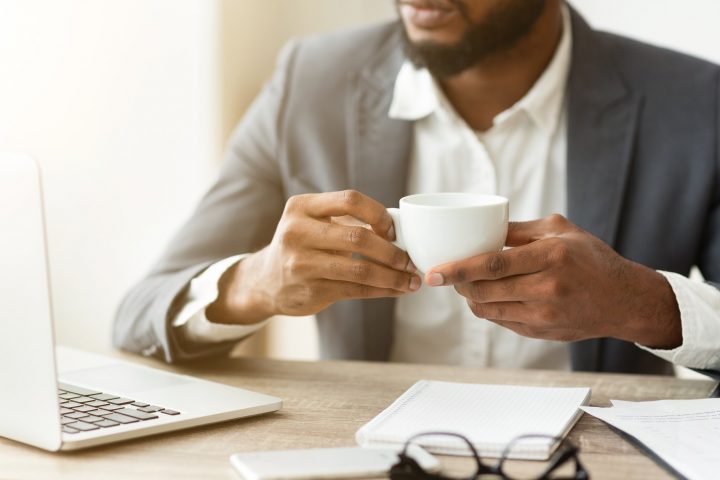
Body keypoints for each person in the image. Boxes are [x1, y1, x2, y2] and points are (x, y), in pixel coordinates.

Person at [114, 0, 720, 376]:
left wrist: (643, 303)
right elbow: (140, 315)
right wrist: (258, 282)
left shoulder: (692, 103)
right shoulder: (310, 83)